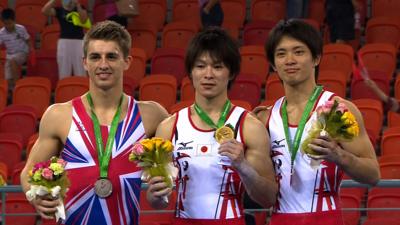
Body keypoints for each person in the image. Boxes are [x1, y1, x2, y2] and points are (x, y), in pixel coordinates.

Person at [20, 21, 169, 225]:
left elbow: (175, 171)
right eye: (95, 57)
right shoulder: (59, 115)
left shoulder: (152, 115)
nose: (103, 65)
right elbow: (28, 173)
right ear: (84, 62)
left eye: (112, 56)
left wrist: (160, 193)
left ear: (127, 61)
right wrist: (35, 196)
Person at [146, 27, 278, 225]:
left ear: (231, 72)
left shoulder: (249, 127)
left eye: (217, 67)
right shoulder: (169, 127)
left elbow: (269, 198)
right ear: (191, 72)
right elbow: (157, 203)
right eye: (200, 66)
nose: (208, 74)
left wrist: (243, 166)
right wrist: (155, 196)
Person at [254, 19, 380, 225]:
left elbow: (373, 175)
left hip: (326, 219)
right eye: (281, 53)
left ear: (316, 58)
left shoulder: (335, 111)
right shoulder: (264, 118)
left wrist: (338, 155)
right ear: (273, 64)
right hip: (279, 219)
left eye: (299, 51)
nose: (290, 60)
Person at [42, 0, 88, 79]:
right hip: (64, 42)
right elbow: (44, 11)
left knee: (80, 69)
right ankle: (64, 88)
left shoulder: (80, 8)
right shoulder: (59, 10)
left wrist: (78, 5)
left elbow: (83, 20)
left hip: (79, 41)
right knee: (64, 69)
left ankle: (82, 88)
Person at [0, 8, 31, 86]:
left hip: (22, 52)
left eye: (10, 23)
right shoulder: (1, 33)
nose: (8, 26)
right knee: (7, 76)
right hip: (9, 55)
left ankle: (17, 85)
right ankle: (12, 90)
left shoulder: (21, 29)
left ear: (14, 21)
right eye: (5, 24)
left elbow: (28, 40)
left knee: (13, 61)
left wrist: (31, 50)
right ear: (2, 23)